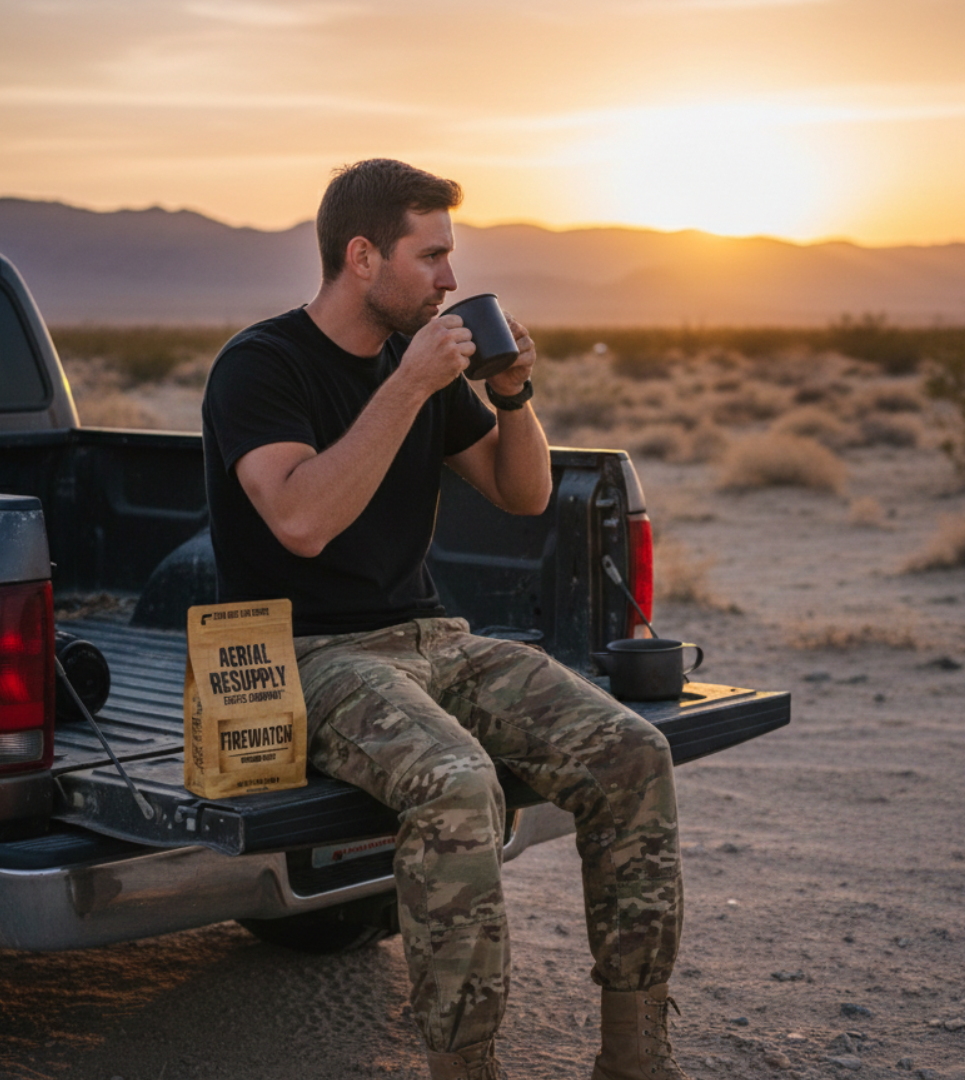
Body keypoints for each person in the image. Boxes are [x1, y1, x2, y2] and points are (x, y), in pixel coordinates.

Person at [202, 158, 687, 1080]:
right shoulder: (261, 366)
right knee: (459, 782)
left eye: (451, 259)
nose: (450, 281)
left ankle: (636, 1055)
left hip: (435, 639)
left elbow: (523, 491)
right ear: (360, 256)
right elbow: (300, 521)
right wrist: (411, 387)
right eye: (431, 257)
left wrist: (512, 397)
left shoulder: (414, 368)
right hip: (308, 652)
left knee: (633, 753)